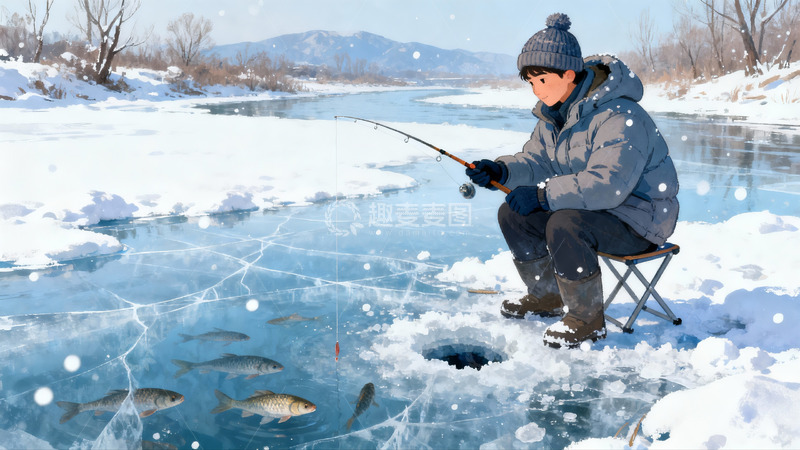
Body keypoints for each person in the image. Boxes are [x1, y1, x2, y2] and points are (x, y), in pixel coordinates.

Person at [466, 13, 678, 349]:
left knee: (565, 223)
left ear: (568, 74)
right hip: (594, 210)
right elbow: (537, 160)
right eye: (531, 83)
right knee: (513, 215)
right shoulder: (556, 115)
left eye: (542, 80)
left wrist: (544, 195)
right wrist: (500, 171)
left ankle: (585, 319)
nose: (536, 90)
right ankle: (545, 297)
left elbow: (608, 185)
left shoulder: (620, 116)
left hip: (640, 219)